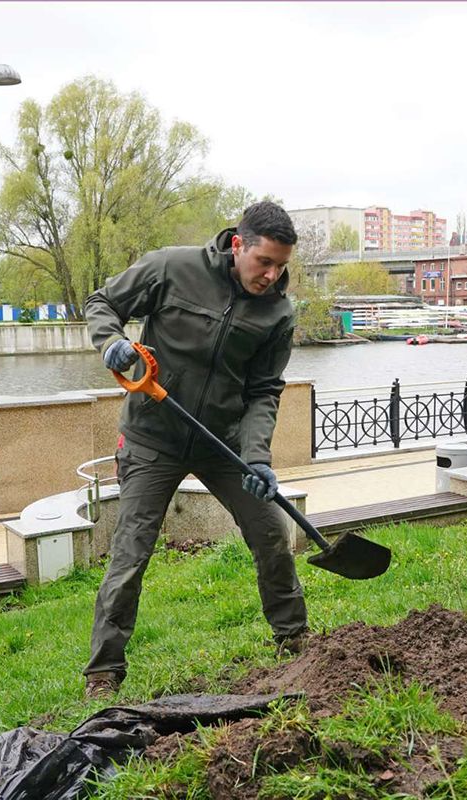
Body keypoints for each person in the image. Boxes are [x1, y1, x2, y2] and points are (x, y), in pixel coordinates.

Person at [82, 201, 308, 698]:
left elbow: (264, 390)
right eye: (263, 262)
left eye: (280, 266)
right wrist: (110, 342)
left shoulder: (277, 312)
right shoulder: (171, 267)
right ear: (237, 245)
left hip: (221, 443)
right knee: (131, 553)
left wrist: (256, 458)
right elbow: (102, 303)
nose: (271, 276)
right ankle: (103, 672)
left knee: (271, 533)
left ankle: (295, 642)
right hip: (152, 437)